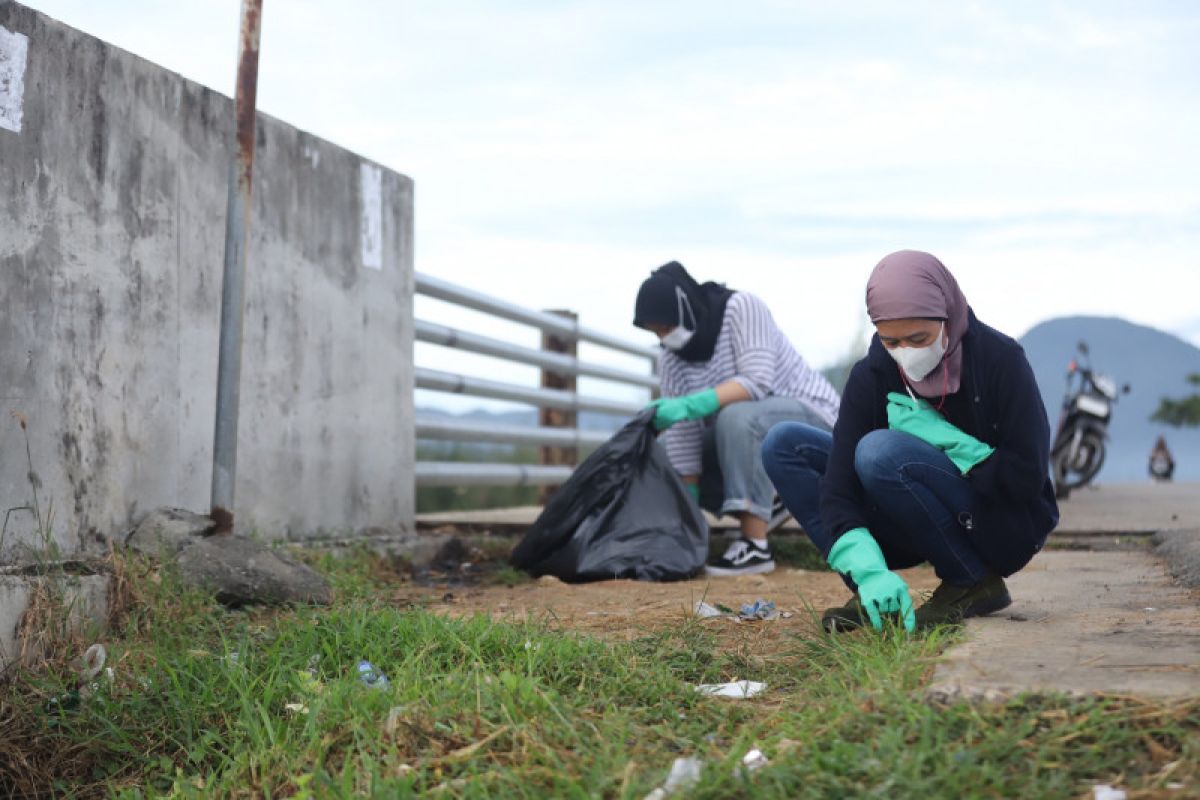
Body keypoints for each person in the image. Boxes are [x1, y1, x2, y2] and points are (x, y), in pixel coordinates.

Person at [762, 250, 1059, 631]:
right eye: (891, 341)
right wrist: (868, 570)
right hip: (905, 510)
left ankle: (970, 579)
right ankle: (875, 592)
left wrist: (948, 440)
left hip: (998, 520)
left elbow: (1026, 478)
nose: (906, 353)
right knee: (785, 445)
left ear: (947, 315)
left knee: (879, 452)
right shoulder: (873, 375)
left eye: (919, 337)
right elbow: (838, 485)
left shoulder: (1000, 361)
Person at [633, 261, 841, 576]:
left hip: (811, 419)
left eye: (666, 327)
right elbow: (684, 438)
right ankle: (776, 493)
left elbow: (757, 381)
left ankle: (755, 547)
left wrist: (689, 404)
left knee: (736, 415)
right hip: (751, 435)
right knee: (675, 451)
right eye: (657, 332)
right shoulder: (671, 359)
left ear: (685, 310)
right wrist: (690, 509)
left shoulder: (741, 308)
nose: (665, 337)